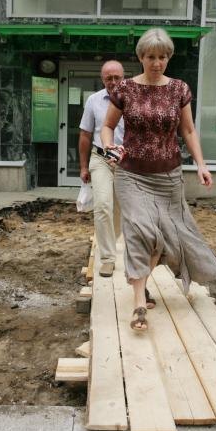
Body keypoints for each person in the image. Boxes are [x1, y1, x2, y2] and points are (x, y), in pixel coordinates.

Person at [100, 28, 216, 331]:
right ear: (141, 57)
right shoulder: (125, 89)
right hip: (131, 174)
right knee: (140, 230)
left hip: (168, 175)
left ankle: (140, 283)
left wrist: (201, 165)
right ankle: (139, 304)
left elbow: (189, 131)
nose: (157, 62)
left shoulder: (179, 89)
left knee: (165, 236)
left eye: (163, 57)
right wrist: (108, 146)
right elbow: (107, 126)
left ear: (168, 58)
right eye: (151, 56)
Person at [79, 60, 125, 277]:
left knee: (119, 210)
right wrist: (83, 167)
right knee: (103, 206)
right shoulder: (93, 100)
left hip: (127, 162)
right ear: (102, 78)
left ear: (123, 77)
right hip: (100, 159)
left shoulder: (133, 99)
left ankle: (111, 240)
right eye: (109, 78)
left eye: (117, 77)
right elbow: (85, 134)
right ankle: (108, 258)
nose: (113, 82)